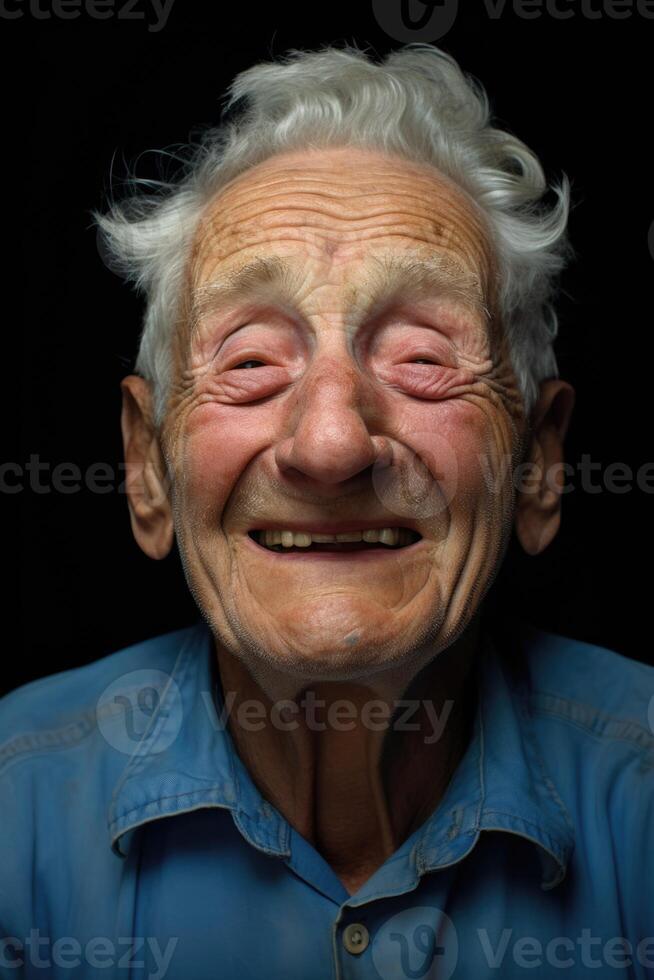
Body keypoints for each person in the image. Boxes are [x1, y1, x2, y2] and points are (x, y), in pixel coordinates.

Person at [2, 42, 652, 980]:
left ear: (539, 466)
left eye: (422, 356)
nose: (331, 444)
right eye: (253, 361)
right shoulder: (13, 817)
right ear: (147, 469)